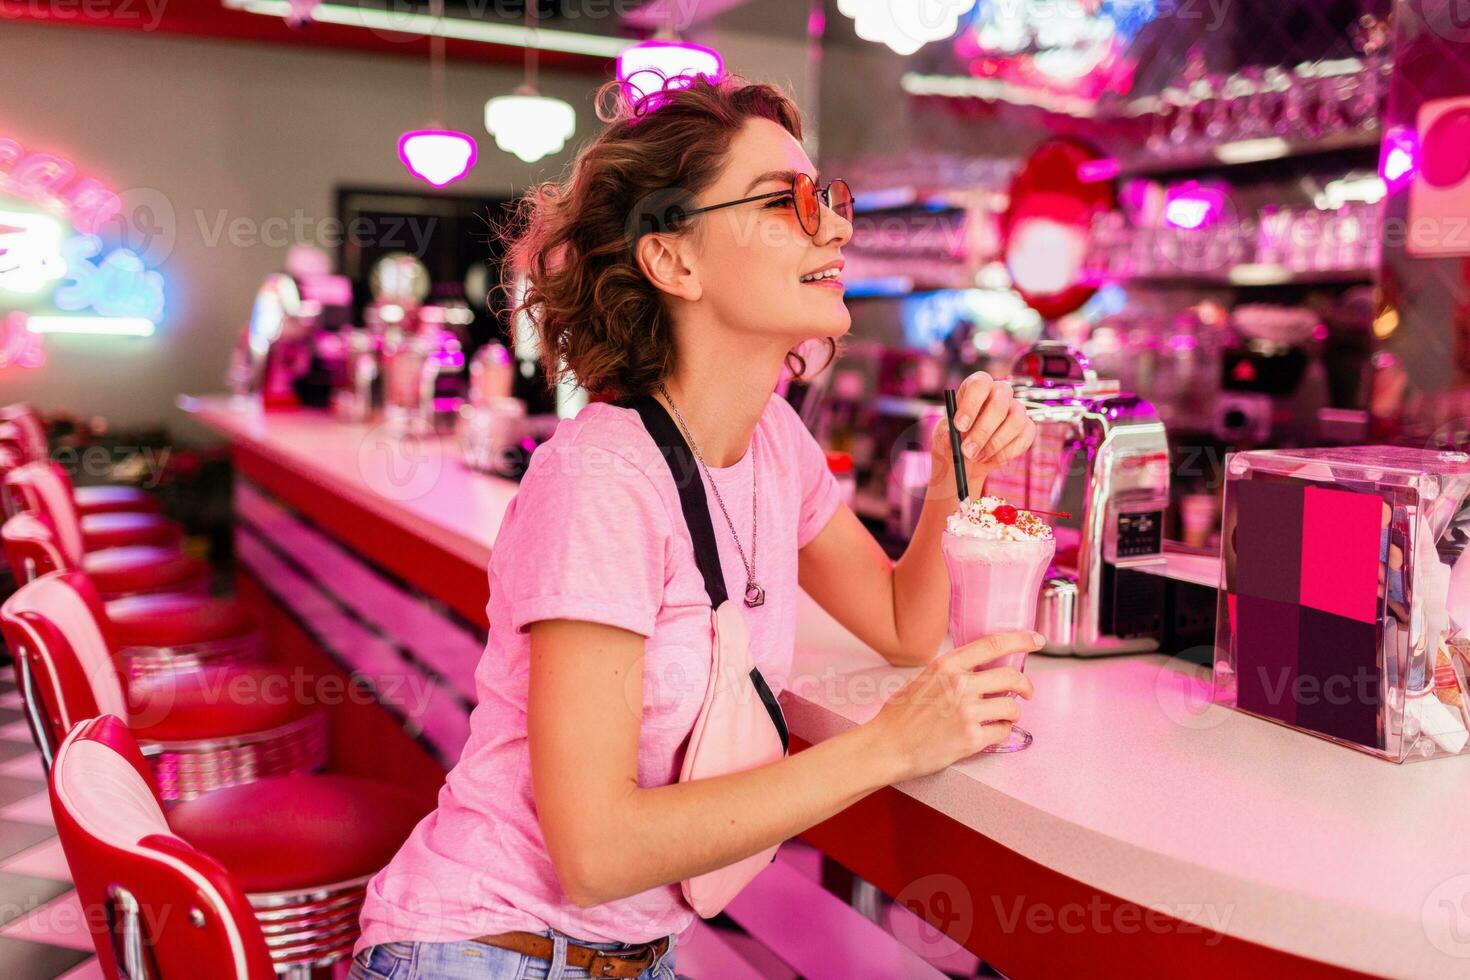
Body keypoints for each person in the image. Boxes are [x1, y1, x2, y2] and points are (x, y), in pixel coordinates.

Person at [351, 73, 1039, 980]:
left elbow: (906, 625)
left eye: (829, 197)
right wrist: (888, 746)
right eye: (787, 201)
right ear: (673, 260)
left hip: (633, 958)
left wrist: (957, 478)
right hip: (488, 950)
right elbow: (595, 852)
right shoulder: (601, 481)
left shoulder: (775, 442)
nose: (835, 224)